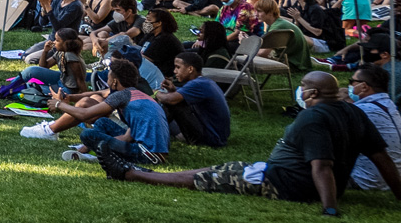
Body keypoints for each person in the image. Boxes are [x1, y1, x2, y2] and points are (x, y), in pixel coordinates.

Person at [99, 72, 401, 214]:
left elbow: (321, 166)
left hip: (281, 182)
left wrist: (330, 208)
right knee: (216, 169)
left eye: (303, 87)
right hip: (279, 173)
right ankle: (144, 173)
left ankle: (131, 174)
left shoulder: (314, 118)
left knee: (209, 178)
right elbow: (380, 156)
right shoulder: (353, 112)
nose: (300, 91)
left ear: (312, 94)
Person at [155, 51, 230, 148]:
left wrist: (155, 92)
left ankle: (153, 131)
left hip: (211, 139)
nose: (174, 71)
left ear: (190, 69)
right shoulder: (204, 82)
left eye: (178, 67)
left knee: (171, 103)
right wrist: (173, 90)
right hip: (218, 136)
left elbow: (170, 100)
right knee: (175, 101)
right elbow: (181, 94)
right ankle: (157, 130)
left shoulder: (198, 84)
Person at [349, 66, 400, 193]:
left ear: (364, 86)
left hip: (367, 181)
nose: (349, 86)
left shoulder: (363, 111)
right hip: (395, 176)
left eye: (352, 81)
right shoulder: (388, 105)